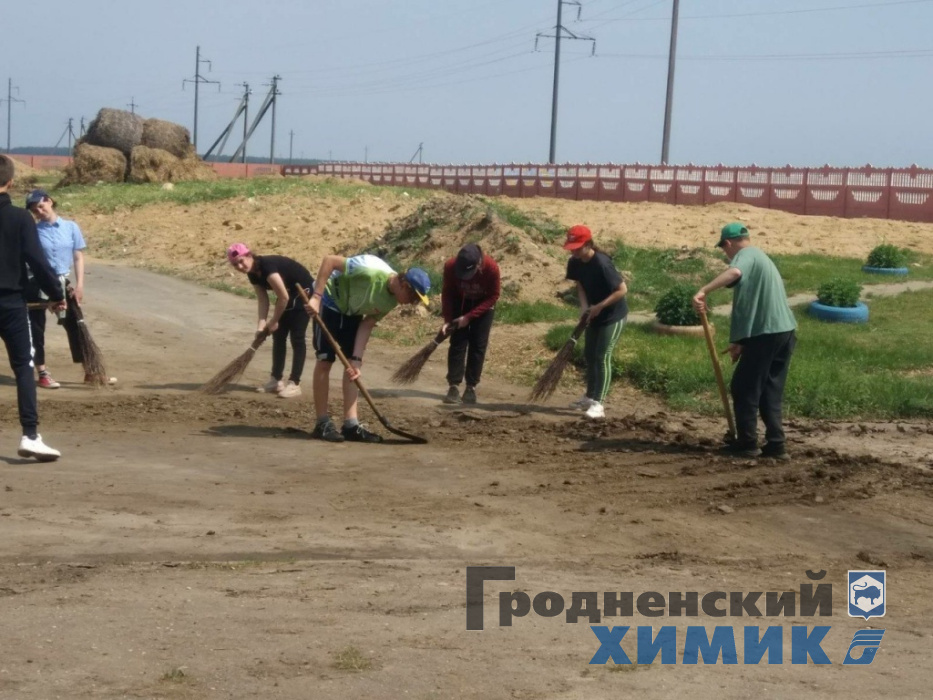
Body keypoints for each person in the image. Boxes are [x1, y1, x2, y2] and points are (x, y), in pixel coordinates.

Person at [692, 222, 797, 460]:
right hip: (784, 332)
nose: (726, 254)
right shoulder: (761, 258)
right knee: (769, 389)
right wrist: (742, 341)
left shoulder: (746, 255)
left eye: (724, 249)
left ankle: (747, 443)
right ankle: (776, 445)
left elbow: (735, 273)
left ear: (728, 243)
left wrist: (703, 290)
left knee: (744, 387)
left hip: (767, 335)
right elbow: (754, 304)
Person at [306, 254, 430, 443]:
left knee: (352, 367)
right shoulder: (369, 270)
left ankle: (351, 425)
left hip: (352, 311)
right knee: (325, 360)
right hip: (329, 301)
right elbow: (330, 261)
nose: (413, 303)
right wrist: (316, 297)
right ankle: (322, 423)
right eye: (414, 298)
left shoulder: (392, 300)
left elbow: (367, 324)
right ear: (404, 285)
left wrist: (357, 359)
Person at [0, 156, 67, 460]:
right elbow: (37, 262)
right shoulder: (20, 218)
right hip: (11, 303)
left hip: (12, 302)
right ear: (10, 182)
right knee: (24, 368)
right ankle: (30, 435)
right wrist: (56, 293)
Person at [23, 188, 106, 388]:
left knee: (76, 324)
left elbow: (78, 257)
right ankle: (42, 373)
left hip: (62, 282)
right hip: (37, 283)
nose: (39, 211)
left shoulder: (71, 227)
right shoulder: (33, 231)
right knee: (36, 328)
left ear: (49, 201)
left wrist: (79, 285)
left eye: (40, 206)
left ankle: (90, 370)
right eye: (34, 210)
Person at [226, 244, 314, 398]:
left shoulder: (267, 266)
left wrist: (273, 321)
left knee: (297, 337)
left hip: (303, 292)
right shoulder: (252, 273)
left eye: (241, 261)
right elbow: (263, 300)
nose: (240, 267)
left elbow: (283, 297)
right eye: (235, 265)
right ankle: (276, 380)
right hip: (288, 294)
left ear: (249, 255)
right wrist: (261, 326)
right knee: (279, 335)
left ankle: (294, 383)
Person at [563, 225, 628, 419]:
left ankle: (599, 404)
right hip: (593, 312)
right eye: (572, 248)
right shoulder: (575, 262)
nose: (574, 252)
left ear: (589, 244)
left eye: (577, 248)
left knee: (602, 356)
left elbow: (622, 290)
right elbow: (580, 285)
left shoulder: (602, 263)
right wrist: (584, 307)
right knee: (589, 355)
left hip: (613, 315)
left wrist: (599, 306)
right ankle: (589, 396)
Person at [441, 243, 500, 405]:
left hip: (483, 305)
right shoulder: (450, 266)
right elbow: (447, 292)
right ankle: (453, 386)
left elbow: (494, 295)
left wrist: (469, 317)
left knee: (478, 345)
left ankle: (471, 387)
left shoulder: (491, 268)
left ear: (478, 264)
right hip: (460, 302)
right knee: (457, 342)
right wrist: (448, 319)